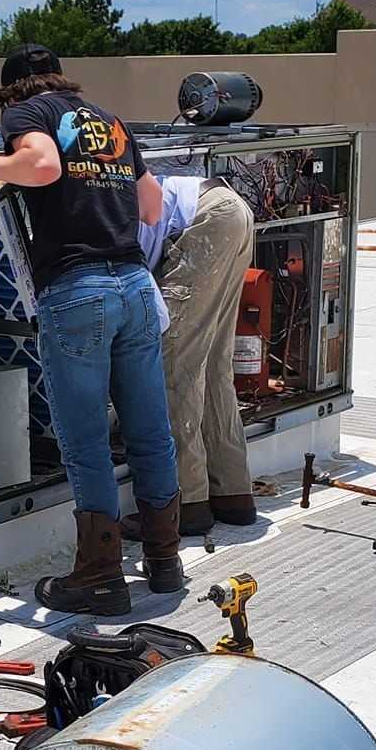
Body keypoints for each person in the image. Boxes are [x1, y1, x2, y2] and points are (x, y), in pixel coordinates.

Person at [0, 45, 182, 614]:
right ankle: (164, 561)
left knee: (85, 445)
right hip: (133, 285)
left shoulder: (26, 114)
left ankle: (100, 576)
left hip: (78, 291)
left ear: (10, 91)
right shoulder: (109, 121)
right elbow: (151, 207)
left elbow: (44, 165)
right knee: (150, 432)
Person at [128, 168, 258, 534]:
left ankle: (185, 503)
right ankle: (233, 494)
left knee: (175, 364)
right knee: (214, 363)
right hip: (228, 208)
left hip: (202, 220)